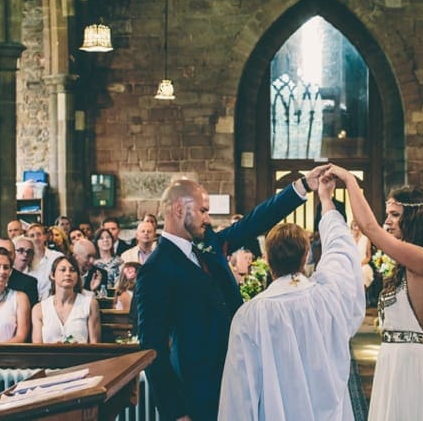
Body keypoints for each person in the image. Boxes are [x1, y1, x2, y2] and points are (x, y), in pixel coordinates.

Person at [136, 165, 328, 421]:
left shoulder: (208, 244)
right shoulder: (156, 269)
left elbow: (254, 222)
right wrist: (176, 411)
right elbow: (152, 347)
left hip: (241, 374)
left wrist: (303, 186)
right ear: (179, 209)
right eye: (203, 211)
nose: (207, 218)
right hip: (199, 390)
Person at [218, 175, 365, 420]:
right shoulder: (329, 296)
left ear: (266, 258)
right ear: (306, 254)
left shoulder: (251, 314)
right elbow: (341, 250)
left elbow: (240, 392)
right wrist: (326, 199)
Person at [324, 164, 423, 421]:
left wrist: (348, 178)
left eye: (394, 215)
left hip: (411, 363)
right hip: (392, 358)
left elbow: (369, 227)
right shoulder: (407, 263)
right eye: (388, 214)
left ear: (413, 218)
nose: (387, 221)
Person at [32, 255, 100, 343]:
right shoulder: (39, 309)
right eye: (63, 270)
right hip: (49, 356)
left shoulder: (89, 304)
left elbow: (95, 344)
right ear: (52, 275)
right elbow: (37, 348)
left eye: (72, 270)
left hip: (81, 355)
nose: (68, 274)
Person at [27, 223, 64, 300]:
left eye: (39, 234)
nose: (36, 238)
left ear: (45, 237)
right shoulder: (25, 259)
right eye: (32, 236)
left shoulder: (57, 257)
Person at [92, 227, 122, 294]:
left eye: (108, 237)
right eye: (101, 238)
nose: (105, 240)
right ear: (96, 242)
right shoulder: (93, 263)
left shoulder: (119, 261)